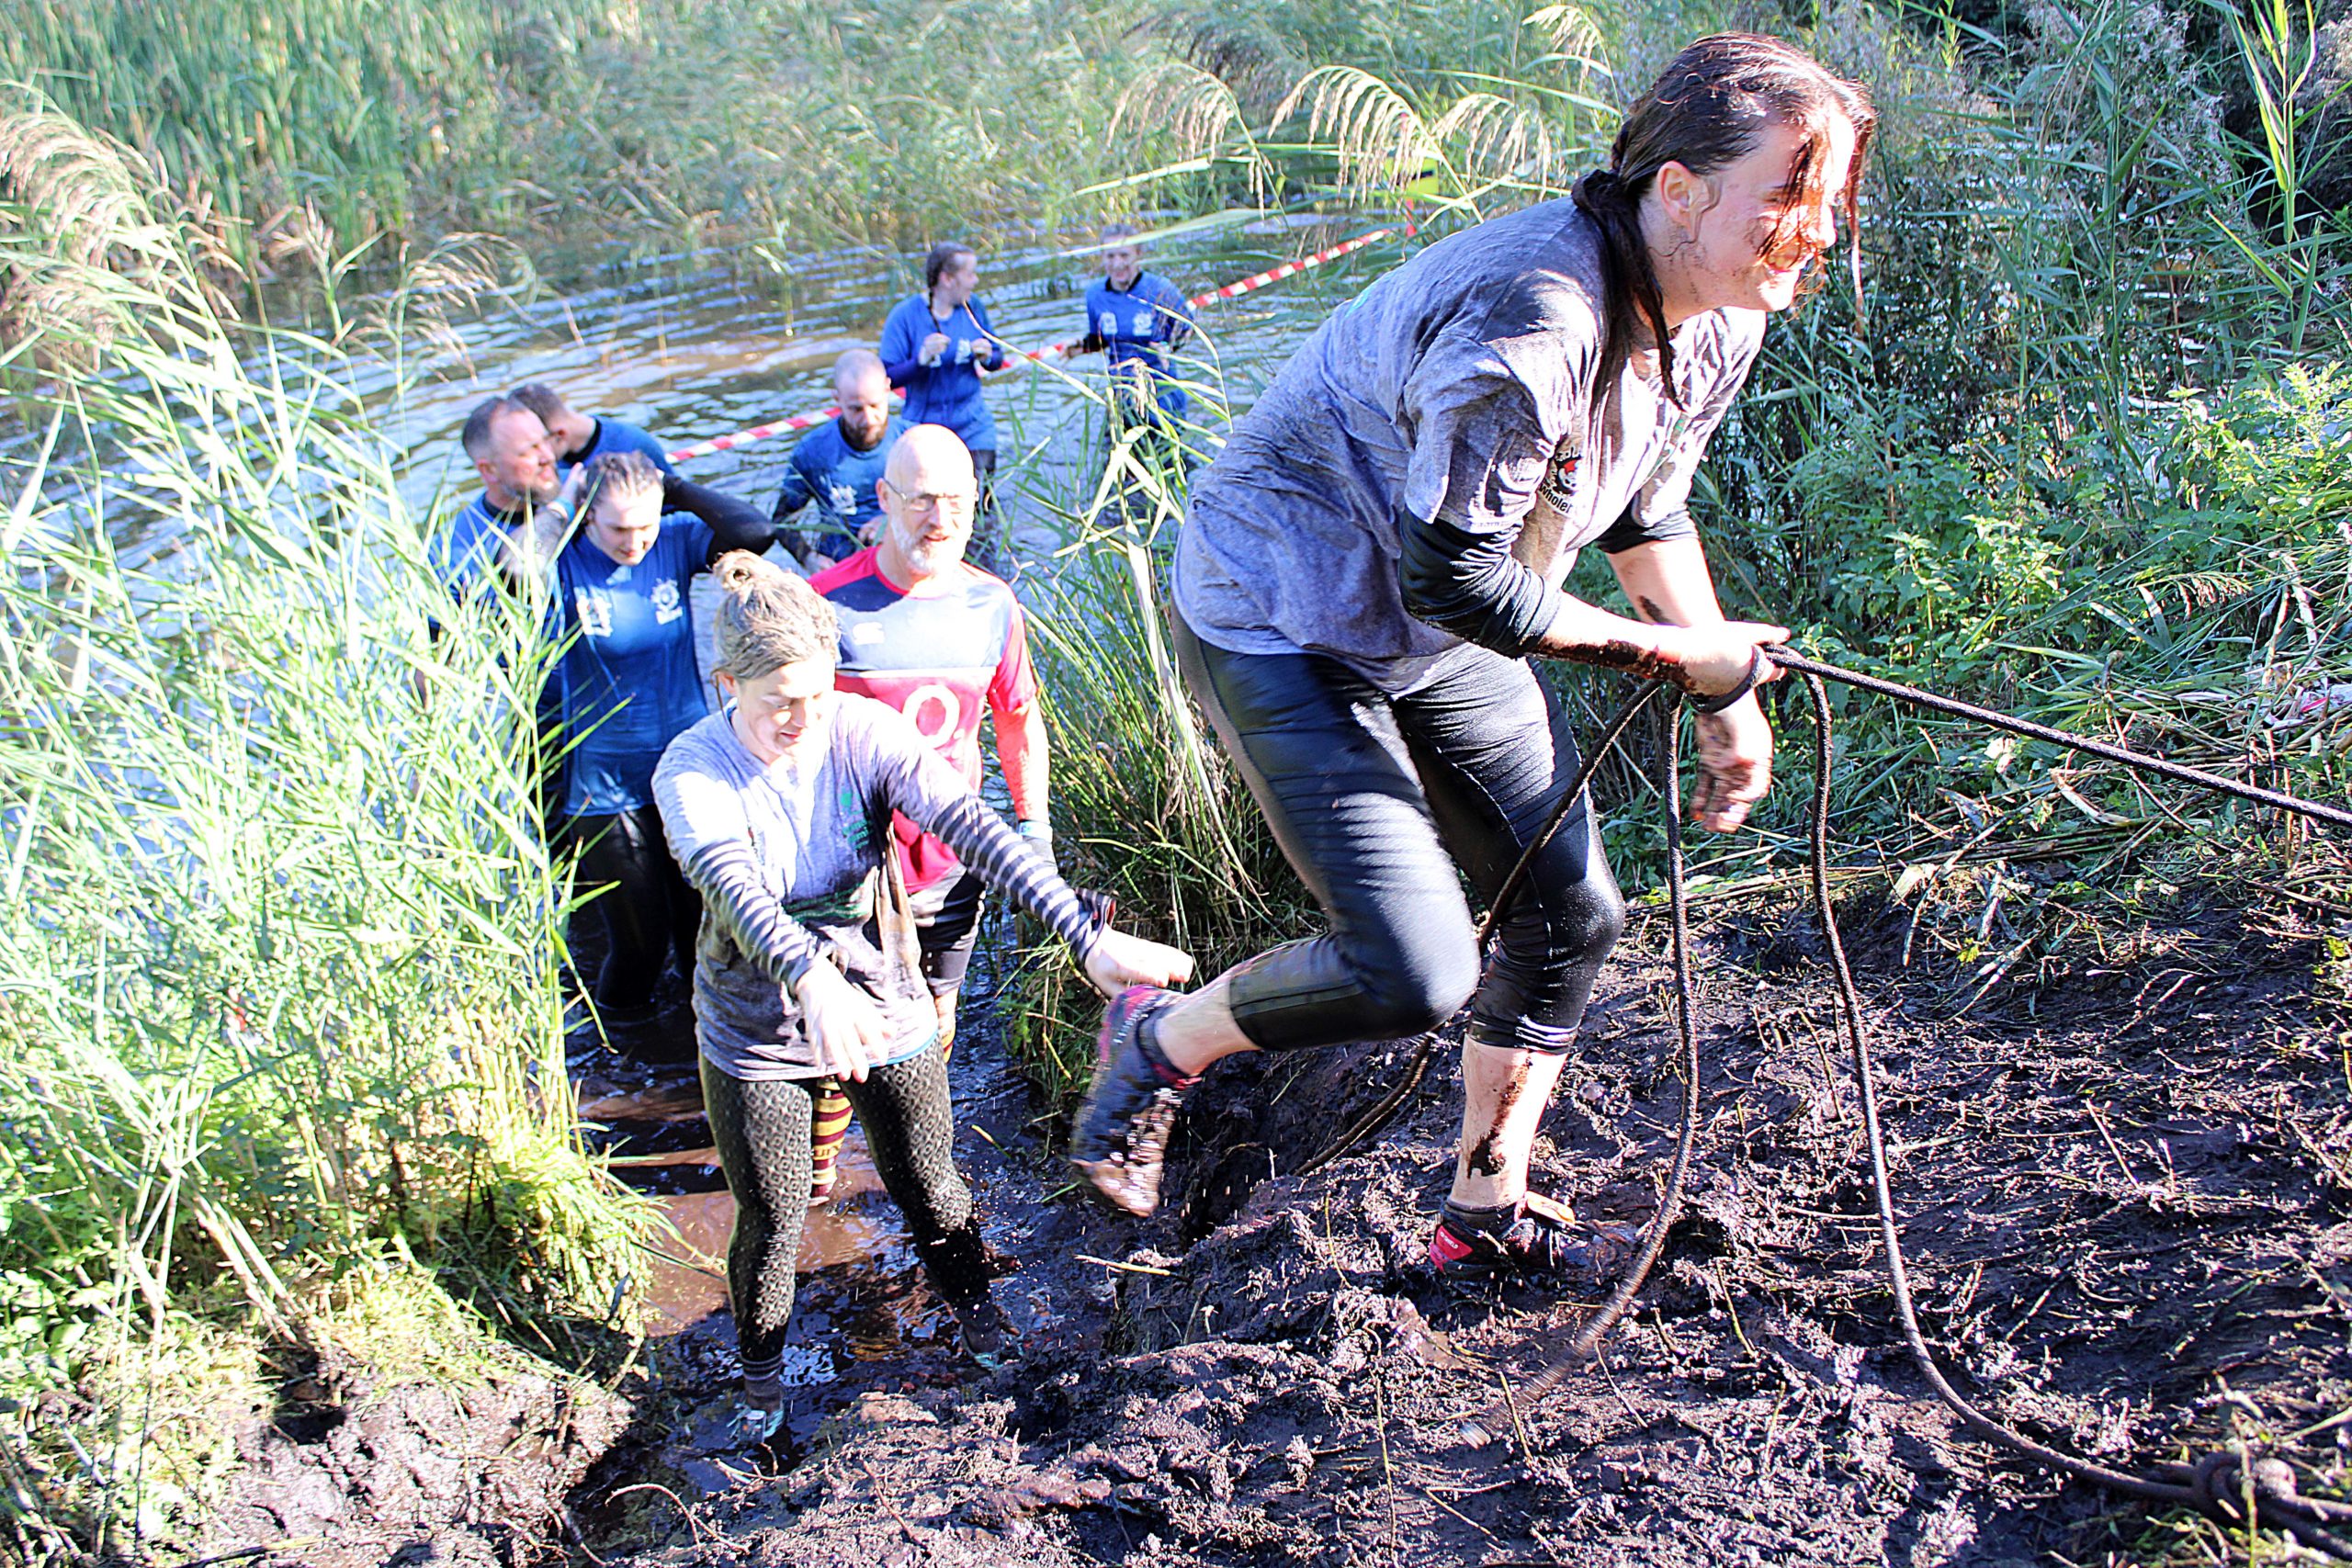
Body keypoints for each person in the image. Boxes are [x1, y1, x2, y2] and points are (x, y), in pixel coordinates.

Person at [1067, 36, 1874, 1292]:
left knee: (1572, 911)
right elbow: (1459, 575)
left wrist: (1731, 694)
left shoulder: (1717, 312)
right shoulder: (1535, 317)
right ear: (1678, 192)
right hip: (1286, 606)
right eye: (1789, 196)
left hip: (1442, 617)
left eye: (1827, 202)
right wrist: (1678, 657)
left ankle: (1482, 1207)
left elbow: (1643, 506)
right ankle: (1160, 1035)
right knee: (1415, 967)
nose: (1814, 231)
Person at [652, 552, 1192, 1444]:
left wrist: (1082, 931)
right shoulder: (692, 770)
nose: (803, 718)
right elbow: (734, 888)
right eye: (779, 700)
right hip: (758, 1021)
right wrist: (812, 980)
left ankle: (980, 1322)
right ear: (725, 684)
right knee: (775, 1214)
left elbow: (969, 823)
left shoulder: (860, 731)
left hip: (886, 992)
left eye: (817, 695)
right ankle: (760, 1390)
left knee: (932, 1187)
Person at [799, 424, 1049, 1202]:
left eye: (957, 502)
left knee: (936, 1015)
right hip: (857, 872)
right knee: (854, 1032)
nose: (939, 518)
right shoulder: (826, 605)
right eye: (922, 500)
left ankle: (908, 1150)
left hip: (949, 863)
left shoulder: (990, 603)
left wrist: (1034, 828)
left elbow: (1018, 718)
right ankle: (816, 1163)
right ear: (884, 501)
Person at [494, 451, 778, 1045]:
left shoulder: (672, 543)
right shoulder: (566, 558)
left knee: (706, 930)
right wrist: (562, 508)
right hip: (605, 787)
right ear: (589, 517)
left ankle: (697, 1057)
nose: (635, 541)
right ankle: (617, 1059)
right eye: (619, 528)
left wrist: (671, 485)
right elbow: (515, 572)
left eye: (645, 524)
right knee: (641, 947)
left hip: (689, 773)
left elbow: (754, 531)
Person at [877, 243, 1008, 536]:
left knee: (979, 508)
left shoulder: (974, 308)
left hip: (974, 425)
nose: (975, 281)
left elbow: (998, 357)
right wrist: (920, 360)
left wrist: (988, 356)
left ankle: (983, 566)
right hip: (925, 429)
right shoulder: (906, 316)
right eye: (970, 274)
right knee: (929, 513)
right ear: (948, 279)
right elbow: (886, 377)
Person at [770, 349, 902, 570]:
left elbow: (938, 506)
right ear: (837, 399)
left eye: (875, 405)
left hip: (899, 560)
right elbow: (783, 520)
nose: (868, 419)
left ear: (887, 389)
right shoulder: (812, 452)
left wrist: (894, 520)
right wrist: (809, 559)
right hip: (840, 564)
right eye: (856, 409)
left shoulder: (910, 442)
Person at [1063, 224, 1195, 430]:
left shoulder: (1160, 289)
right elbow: (1102, 338)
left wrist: (1169, 347)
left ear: (1139, 255)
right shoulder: (1095, 295)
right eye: (1110, 256)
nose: (1117, 264)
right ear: (1102, 257)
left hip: (1161, 395)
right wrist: (1082, 346)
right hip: (1121, 395)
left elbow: (1188, 328)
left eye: (1124, 255)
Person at [434, 394, 560, 600]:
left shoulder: (583, 488)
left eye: (546, 441)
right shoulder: (452, 552)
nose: (548, 457)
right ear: (489, 470)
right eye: (529, 451)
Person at [512, 382, 674, 478]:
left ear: (560, 435)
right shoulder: (559, 446)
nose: (538, 458)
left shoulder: (633, 446)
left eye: (535, 446)